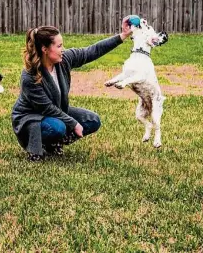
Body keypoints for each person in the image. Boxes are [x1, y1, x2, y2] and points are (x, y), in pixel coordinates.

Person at [11, 17, 133, 161]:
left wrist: (123, 36)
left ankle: (53, 145)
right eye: (59, 46)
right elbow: (47, 109)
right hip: (32, 118)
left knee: (92, 120)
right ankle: (38, 147)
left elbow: (91, 51)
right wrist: (74, 123)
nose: (62, 49)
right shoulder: (30, 76)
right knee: (58, 127)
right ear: (45, 49)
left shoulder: (63, 60)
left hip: (55, 111)